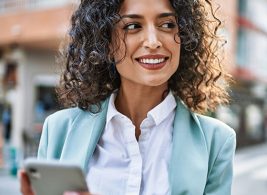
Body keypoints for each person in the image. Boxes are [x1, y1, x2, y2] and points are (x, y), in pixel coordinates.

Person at [20, 0, 236, 194]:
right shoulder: (59, 130)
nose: (153, 41)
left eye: (168, 24)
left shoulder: (217, 142)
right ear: (106, 42)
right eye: (133, 26)